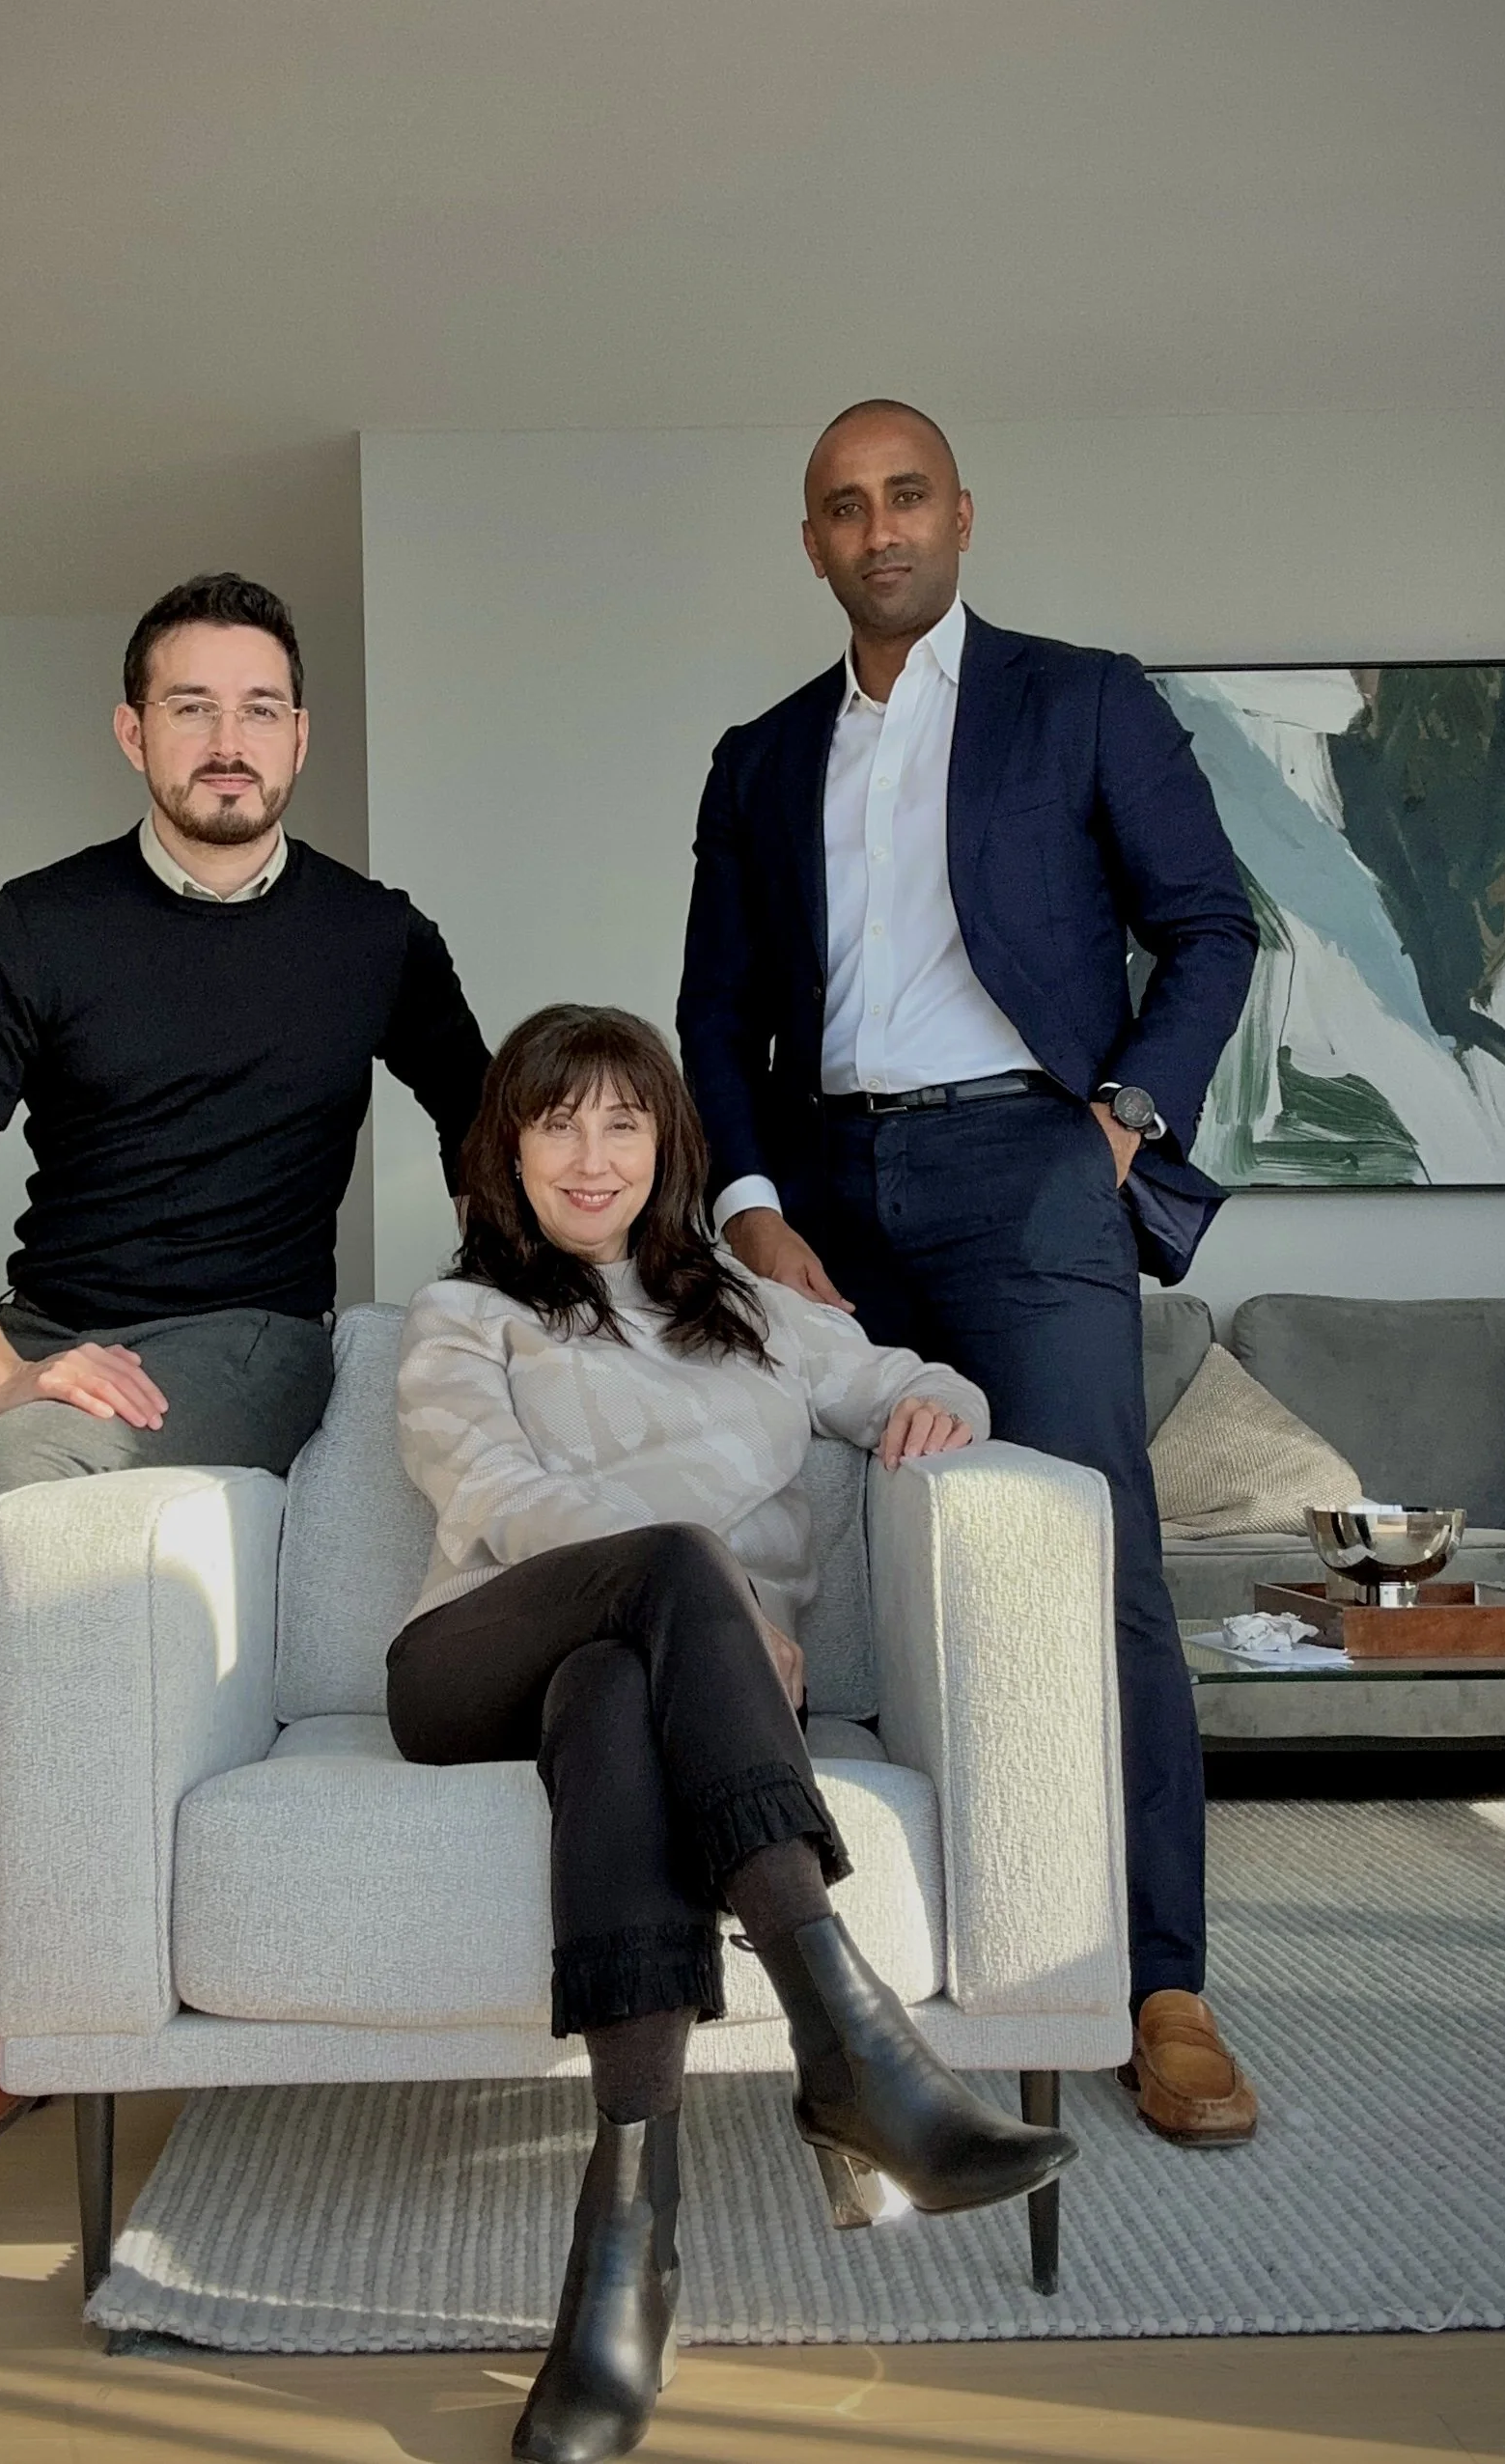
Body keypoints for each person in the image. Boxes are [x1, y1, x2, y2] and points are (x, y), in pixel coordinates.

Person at [0, 572, 489, 2164]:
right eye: (190, 707)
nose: (227, 742)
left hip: (247, 1338)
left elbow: (487, 1129)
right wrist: (9, 1369)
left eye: (257, 709)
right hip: (42, 1341)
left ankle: (15, 1977)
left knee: (13, 1478)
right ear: (131, 731)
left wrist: (496, 1309)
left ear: (300, 735)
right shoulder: (44, 921)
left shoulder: (374, 937)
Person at [678, 401, 1262, 2149]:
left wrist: (1122, 1120)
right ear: (812, 544)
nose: (880, 529)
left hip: (1028, 1164)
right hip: (828, 1195)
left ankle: (1157, 1981)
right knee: (851, 1564)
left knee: (1092, 1564)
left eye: (906, 495)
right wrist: (755, 1198)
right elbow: (714, 1011)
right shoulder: (761, 753)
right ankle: (900, 1971)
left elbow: (1209, 923)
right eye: (844, 507)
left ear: (960, 514)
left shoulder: (1075, 698)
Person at [390, 1003, 1073, 2464]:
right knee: (662, 1584)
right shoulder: (464, 1317)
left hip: (639, 1691)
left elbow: (918, 1379)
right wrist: (687, 1577)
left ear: (667, 1146)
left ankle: (622, 2258)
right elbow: (495, 1499)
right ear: (505, 1148)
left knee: (615, 1704)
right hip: (468, 1660)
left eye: (621, 1122)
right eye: (555, 1121)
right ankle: (852, 2046)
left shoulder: (758, 1319)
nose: (590, 1154)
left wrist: (938, 1405)